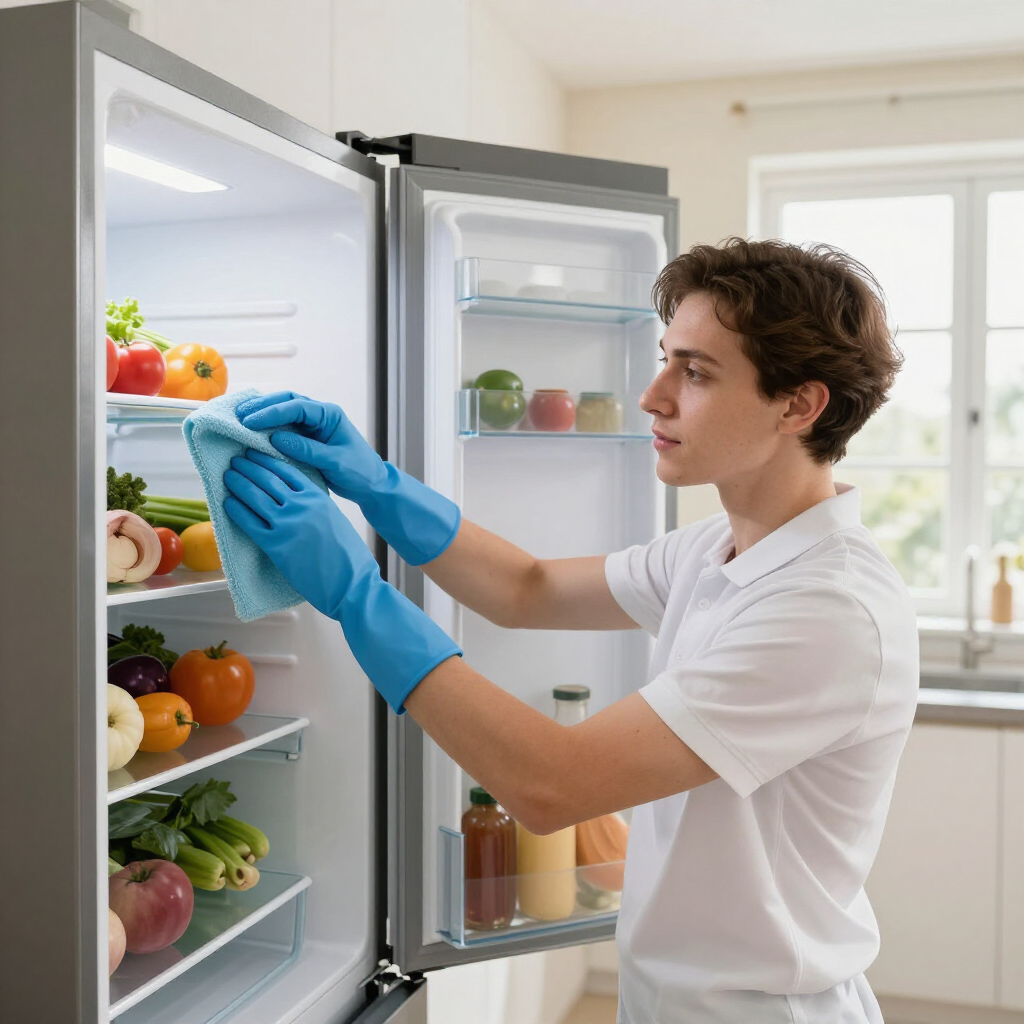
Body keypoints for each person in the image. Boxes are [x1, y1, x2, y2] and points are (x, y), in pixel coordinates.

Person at [222, 237, 918, 1024]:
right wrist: (377, 483)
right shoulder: (719, 547)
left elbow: (553, 783)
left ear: (798, 405)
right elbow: (529, 588)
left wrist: (355, 596)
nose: (653, 395)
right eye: (666, 359)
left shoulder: (828, 612)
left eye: (694, 372)